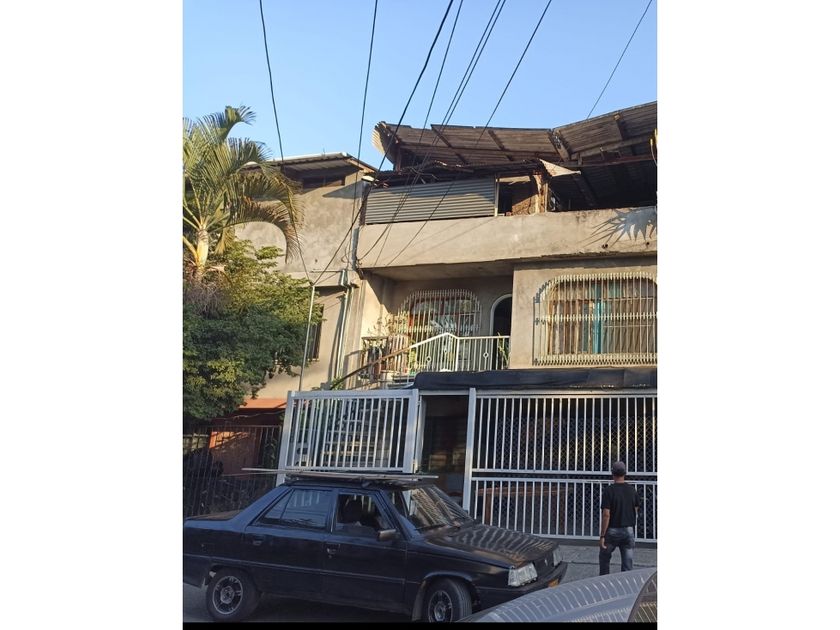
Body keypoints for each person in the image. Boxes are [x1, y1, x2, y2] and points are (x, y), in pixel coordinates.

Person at [598, 461, 640, 575]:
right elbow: (636, 508)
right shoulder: (632, 490)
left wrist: (602, 535)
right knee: (627, 563)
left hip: (612, 530)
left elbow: (606, 514)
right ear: (625, 473)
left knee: (604, 558)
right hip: (628, 530)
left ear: (613, 473)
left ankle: (604, 581)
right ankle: (626, 582)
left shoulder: (609, 491)